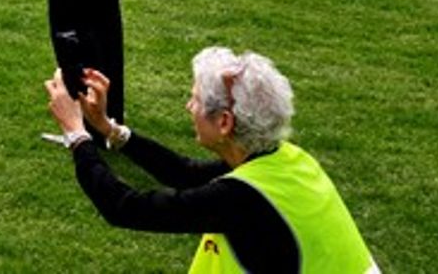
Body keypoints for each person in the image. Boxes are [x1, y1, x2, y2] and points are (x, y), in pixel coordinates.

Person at [43, 48, 379, 273]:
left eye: (196, 100)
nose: (189, 107)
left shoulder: (240, 199)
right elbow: (186, 173)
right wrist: (108, 129)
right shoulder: (287, 158)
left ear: (224, 122)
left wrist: (77, 134)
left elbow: (124, 208)